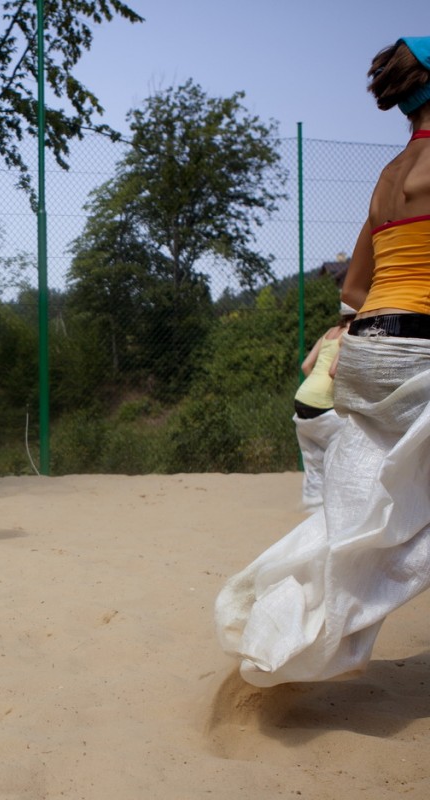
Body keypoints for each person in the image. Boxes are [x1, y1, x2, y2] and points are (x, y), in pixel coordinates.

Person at [216, 37, 430, 686]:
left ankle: (278, 620)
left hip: (367, 351)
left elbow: (355, 288)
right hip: (420, 345)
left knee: (363, 512)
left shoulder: (389, 177)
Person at [292, 302, 357, 511]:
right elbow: (333, 371)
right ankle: (343, 503)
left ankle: (312, 503)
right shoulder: (352, 332)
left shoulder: (330, 332)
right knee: (347, 442)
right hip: (322, 402)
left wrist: (315, 388)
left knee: (312, 455)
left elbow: (305, 365)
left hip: (302, 397)